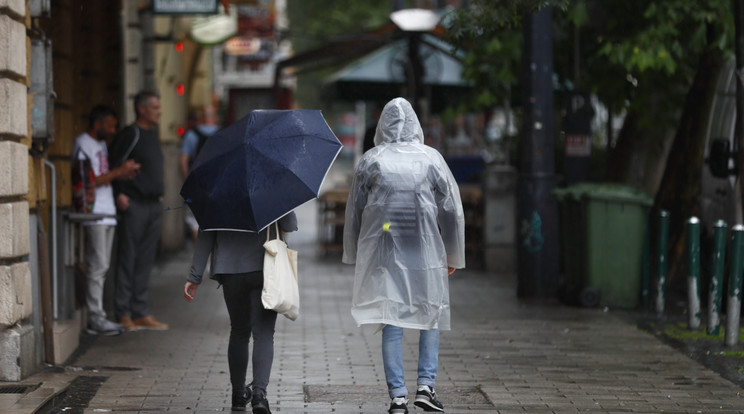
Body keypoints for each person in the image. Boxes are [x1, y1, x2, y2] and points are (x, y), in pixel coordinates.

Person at [342, 97, 465, 414]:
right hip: (424, 246)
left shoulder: (372, 159)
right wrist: (454, 254)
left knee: (390, 317)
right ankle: (426, 386)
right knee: (431, 312)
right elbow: (451, 209)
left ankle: (398, 396)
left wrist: (355, 252)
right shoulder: (431, 159)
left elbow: (355, 210)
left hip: (385, 246)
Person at [183, 213, 298, 414]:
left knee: (238, 331)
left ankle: (238, 395)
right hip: (264, 267)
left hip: (230, 270)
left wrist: (195, 275)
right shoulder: (271, 186)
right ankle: (259, 396)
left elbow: (206, 232)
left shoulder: (219, 192)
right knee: (263, 333)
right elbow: (289, 225)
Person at [72, 105, 141, 336]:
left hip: (107, 210)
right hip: (94, 212)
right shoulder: (83, 143)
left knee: (102, 266)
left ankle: (98, 315)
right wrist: (119, 171)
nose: (113, 130)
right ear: (97, 123)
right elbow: (87, 182)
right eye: (109, 125)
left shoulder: (100, 144)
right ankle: (96, 318)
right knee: (97, 265)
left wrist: (121, 174)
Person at [108, 91, 168, 331]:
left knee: (145, 259)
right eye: (155, 107)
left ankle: (140, 311)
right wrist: (118, 194)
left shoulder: (152, 134)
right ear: (141, 109)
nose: (159, 111)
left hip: (153, 205)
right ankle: (123, 312)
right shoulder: (130, 134)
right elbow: (112, 165)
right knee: (127, 258)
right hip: (133, 205)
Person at [179, 106, 220, 245]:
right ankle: (211, 257)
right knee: (215, 220)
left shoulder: (191, 134)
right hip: (217, 185)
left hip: (197, 184)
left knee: (194, 220)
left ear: (202, 118)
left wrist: (187, 179)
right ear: (215, 118)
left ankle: (201, 255)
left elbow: (183, 160)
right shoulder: (223, 133)